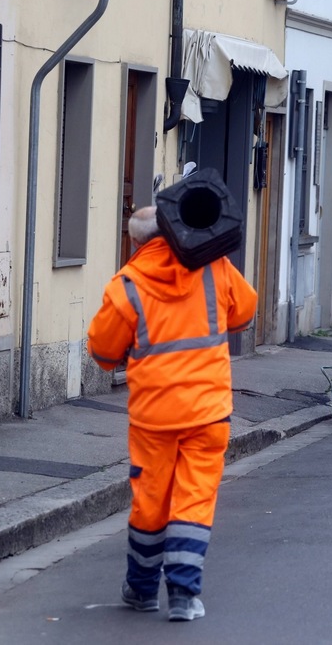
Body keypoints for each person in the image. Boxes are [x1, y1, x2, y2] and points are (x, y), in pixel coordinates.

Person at [87, 205, 257, 622]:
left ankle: (142, 590)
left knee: (151, 501)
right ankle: (183, 595)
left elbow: (103, 353)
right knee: (194, 497)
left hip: (154, 415)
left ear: (135, 243)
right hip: (209, 409)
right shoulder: (212, 266)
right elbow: (246, 310)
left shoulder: (126, 285)